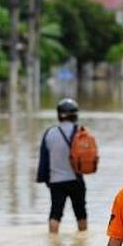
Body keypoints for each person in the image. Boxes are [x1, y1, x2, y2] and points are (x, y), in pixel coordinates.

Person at [36, 98, 87, 234]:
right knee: (80, 213)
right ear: (75, 115)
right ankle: (82, 244)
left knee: (55, 213)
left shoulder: (49, 133)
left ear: (59, 114)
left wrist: (46, 180)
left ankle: (53, 243)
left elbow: (44, 161)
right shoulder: (81, 132)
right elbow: (89, 157)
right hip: (76, 180)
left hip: (56, 181)